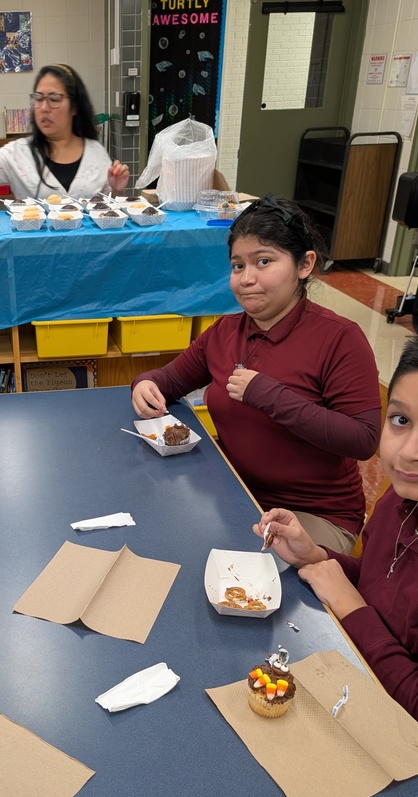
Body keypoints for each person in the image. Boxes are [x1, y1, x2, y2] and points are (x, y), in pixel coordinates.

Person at [254, 322, 418, 793]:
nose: (410, 452)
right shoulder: (402, 502)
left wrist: (350, 606)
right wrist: (316, 556)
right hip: (360, 687)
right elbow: (384, 584)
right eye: (400, 420)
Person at [131, 194, 382, 553]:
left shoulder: (340, 338)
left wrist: (270, 395)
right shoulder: (225, 331)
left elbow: (363, 439)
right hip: (236, 492)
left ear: (304, 264)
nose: (246, 279)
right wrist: (145, 384)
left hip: (314, 514)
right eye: (238, 266)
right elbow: (168, 380)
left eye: (264, 261)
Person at [0, 64, 129, 201]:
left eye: (54, 99)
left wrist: (117, 190)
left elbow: (107, 209)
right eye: (38, 98)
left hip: (87, 248)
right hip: (34, 248)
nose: (43, 107)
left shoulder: (96, 153)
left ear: (75, 106)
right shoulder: (20, 152)